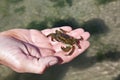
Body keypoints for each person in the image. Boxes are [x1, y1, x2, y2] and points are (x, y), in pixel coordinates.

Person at [0, 26, 90, 74]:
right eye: (59, 39)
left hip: (68, 39)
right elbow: (55, 33)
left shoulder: (71, 41)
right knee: (57, 35)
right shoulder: (57, 34)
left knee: (74, 46)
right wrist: (51, 37)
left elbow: (74, 45)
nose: (60, 41)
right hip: (63, 35)